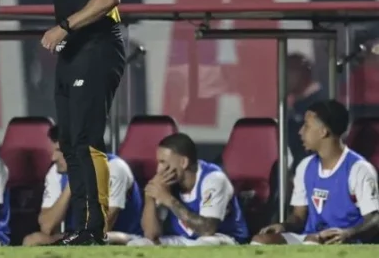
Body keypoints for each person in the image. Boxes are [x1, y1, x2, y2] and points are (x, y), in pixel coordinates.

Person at [27, 0, 126, 245]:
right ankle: (82, 226)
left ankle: (94, 228)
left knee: (86, 138)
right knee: (70, 141)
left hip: (97, 46)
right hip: (74, 50)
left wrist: (64, 27)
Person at [252, 100, 379, 245]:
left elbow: (375, 219)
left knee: (312, 241)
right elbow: (298, 217)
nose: (300, 131)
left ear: (323, 131)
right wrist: (284, 226)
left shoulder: (359, 169)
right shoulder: (305, 166)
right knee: (260, 240)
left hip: (343, 241)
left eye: (306, 126)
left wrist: (348, 233)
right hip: (310, 237)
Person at [23, 125, 143, 246]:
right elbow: (47, 227)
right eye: (53, 151)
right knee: (33, 240)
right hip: (79, 237)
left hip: (122, 239)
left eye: (60, 151)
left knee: (92, 239)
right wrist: (72, 184)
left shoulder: (114, 168)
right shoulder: (56, 172)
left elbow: (103, 228)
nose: (53, 158)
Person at [130, 133, 249, 247]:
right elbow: (151, 235)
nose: (158, 170)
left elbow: (208, 229)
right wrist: (150, 197)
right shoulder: (168, 184)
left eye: (163, 162)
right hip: (184, 240)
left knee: (206, 243)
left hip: (223, 238)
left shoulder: (214, 178)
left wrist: (169, 200)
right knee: (139, 244)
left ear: (183, 162)